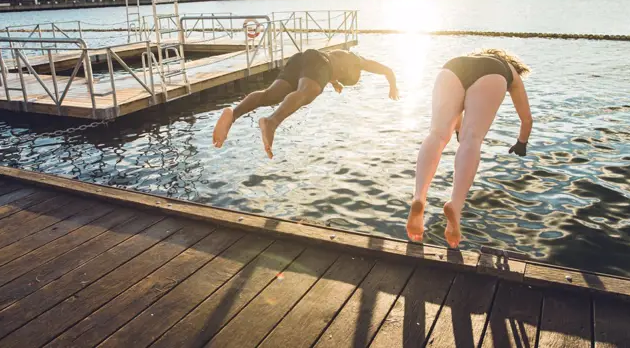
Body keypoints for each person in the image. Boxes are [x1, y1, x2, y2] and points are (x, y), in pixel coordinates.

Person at [407, 49, 532, 248]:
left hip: (452, 66)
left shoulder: (469, 58)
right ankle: (455, 206)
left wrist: (457, 130)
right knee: (472, 139)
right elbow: (526, 119)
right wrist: (521, 142)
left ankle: (419, 197)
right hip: (493, 73)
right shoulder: (510, 71)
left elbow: (458, 111)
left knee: (437, 135)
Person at [212, 48, 399, 158]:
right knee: (306, 93)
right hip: (318, 62)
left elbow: (323, 68)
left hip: (301, 60)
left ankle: (232, 115)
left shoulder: (338, 62)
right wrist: (393, 85)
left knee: (270, 95)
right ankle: (271, 122)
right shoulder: (358, 61)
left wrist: (333, 82)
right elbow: (387, 69)